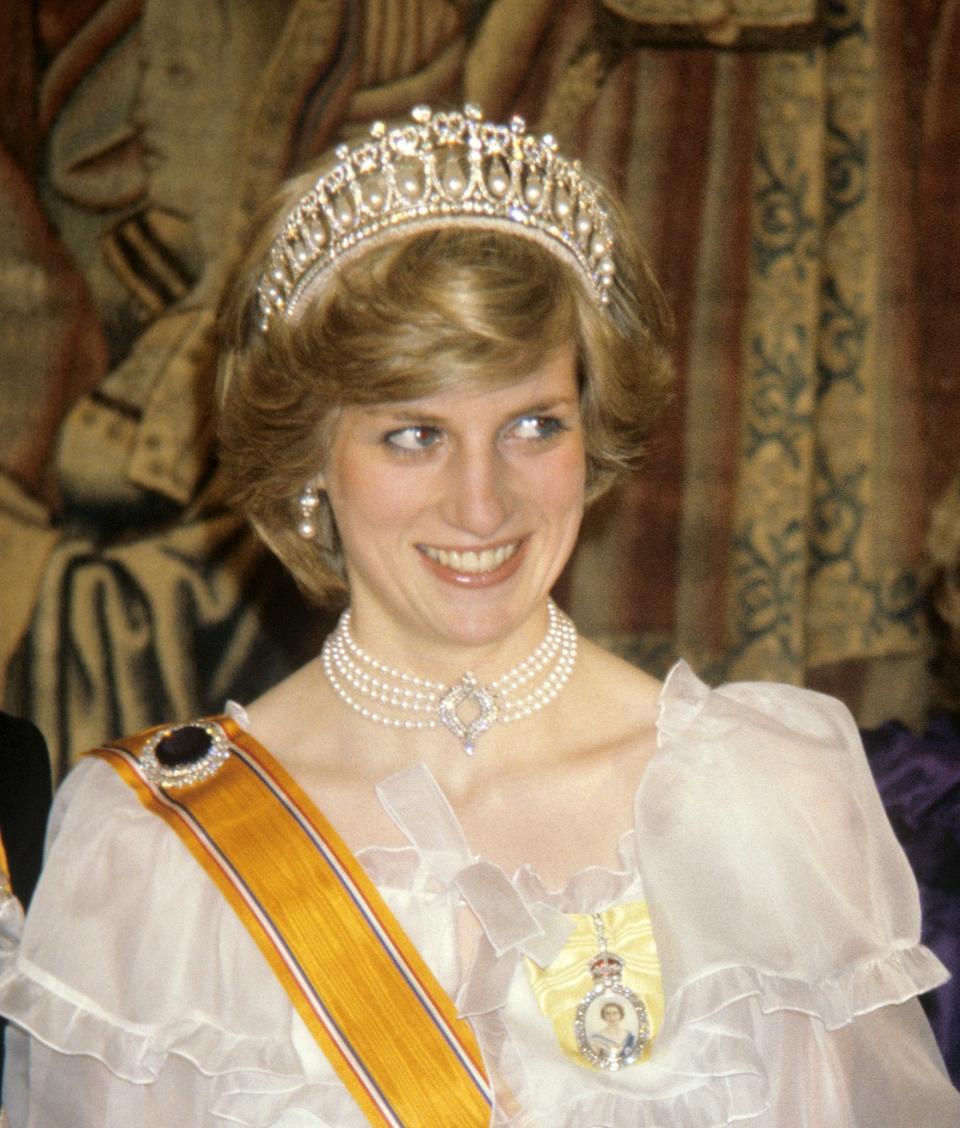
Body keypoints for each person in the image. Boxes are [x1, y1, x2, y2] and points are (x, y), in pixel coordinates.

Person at [0, 104, 957, 1126]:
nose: (482, 503)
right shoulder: (154, 853)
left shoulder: (761, 802)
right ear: (315, 460)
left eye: (534, 425)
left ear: (594, 435)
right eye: (414, 434)